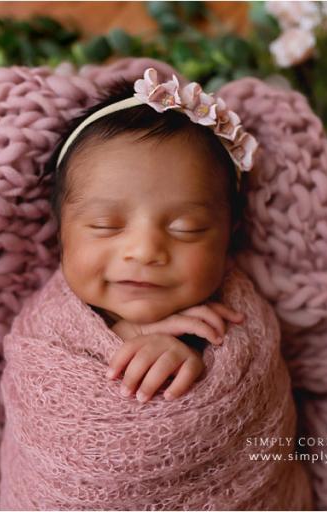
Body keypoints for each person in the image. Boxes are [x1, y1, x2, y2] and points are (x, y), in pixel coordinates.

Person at [41, 68, 259, 404]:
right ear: (60, 231)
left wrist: (190, 367)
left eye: (187, 229)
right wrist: (126, 336)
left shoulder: (235, 325)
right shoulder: (47, 330)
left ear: (230, 233)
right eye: (105, 224)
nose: (144, 251)